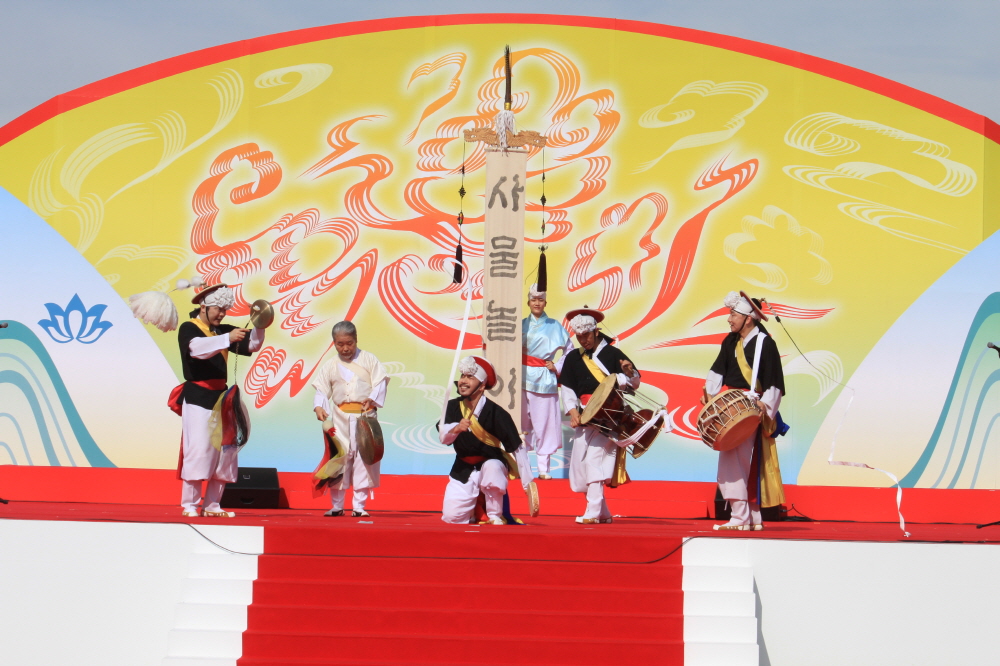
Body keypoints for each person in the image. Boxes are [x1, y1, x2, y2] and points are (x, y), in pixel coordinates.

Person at [176, 283, 265, 517]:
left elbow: (252, 344)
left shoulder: (221, 331)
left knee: (225, 452)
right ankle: (189, 505)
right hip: (198, 397)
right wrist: (227, 338)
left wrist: (260, 323)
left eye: (225, 310)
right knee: (199, 450)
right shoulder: (189, 328)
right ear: (203, 307)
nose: (222, 314)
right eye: (219, 309)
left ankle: (212, 505)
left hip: (222, 399)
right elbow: (196, 350)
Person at [702, 291, 785, 531]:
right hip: (732, 405)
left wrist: (764, 405)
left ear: (748, 318)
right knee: (741, 461)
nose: (729, 319)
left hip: (750, 409)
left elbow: (774, 382)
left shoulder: (765, 344)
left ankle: (740, 517)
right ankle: (751, 517)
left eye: (733, 315)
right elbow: (717, 370)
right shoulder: (730, 341)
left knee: (734, 460)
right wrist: (710, 397)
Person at [559, 309, 640, 524]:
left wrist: (629, 373)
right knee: (579, 468)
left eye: (586, 335)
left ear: (596, 332)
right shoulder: (573, 358)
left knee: (594, 459)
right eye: (579, 336)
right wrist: (573, 412)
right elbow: (567, 388)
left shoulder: (613, 354)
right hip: (585, 416)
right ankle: (603, 513)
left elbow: (634, 383)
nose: (583, 340)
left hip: (610, 416)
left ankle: (592, 512)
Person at [312, 320, 389, 518]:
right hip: (340, 417)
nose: (345, 348)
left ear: (356, 340)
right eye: (340, 344)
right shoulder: (330, 364)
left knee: (364, 459)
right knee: (339, 459)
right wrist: (319, 406)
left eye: (349, 343)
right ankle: (337, 506)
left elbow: (380, 382)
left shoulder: (369, 359)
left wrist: (372, 399)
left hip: (365, 416)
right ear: (334, 343)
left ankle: (359, 506)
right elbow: (321, 388)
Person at [439, 356, 522, 525]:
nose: (463, 381)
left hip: (491, 465)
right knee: (451, 518)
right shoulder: (452, 407)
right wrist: (456, 428)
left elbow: (517, 448)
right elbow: (443, 438)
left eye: (470, 377)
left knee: (493, 467)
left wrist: (528, 485)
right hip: (463, 467)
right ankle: (471, 511)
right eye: (463, 376)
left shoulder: (497, 413)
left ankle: (494, 514)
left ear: (482, 385)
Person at [521, 284, 573, 480]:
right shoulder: (520, 324)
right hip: (520, 375)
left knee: (544, 423)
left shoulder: (554, 325)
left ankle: (543, 468)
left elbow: (570, 350)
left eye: (540, 300)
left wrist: (557, 366)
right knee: (521, 423)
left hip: (543, 377)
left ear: (545, 303)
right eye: (533, 299)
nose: (537, 303)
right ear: (528, 302)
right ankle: (521, 465)